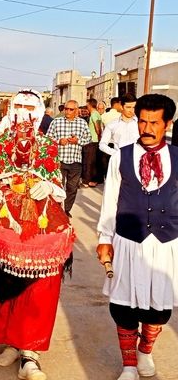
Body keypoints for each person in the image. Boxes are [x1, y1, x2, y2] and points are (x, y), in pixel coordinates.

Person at [0, 89, 74, 380]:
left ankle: (30, 352)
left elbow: (59, 184)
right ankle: (10, 339)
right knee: (0, 282)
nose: (24, 112)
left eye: (30, 107)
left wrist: (50, 188)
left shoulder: (48, 145)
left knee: (38, 288)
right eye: (18, 106)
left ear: (40, 111)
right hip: (3, 219)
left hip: (40, 223)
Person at [96, 94, 178, 380]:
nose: (147, 128)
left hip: (167, 245)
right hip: (128, 241)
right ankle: (129, 365)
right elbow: (110, 201)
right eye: (143, 121)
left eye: (154, 122)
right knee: (123, 307)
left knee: (159, 310)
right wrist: (104, 238)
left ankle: (145, 351)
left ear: (167, 123)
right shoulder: (121, 155)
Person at [46, 100, 91, 217]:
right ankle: (56, 210)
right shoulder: (56, 122)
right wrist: (58, 142)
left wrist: (78, 141)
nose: (68, 111)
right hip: (59, 160)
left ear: (76, 111)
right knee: (57, 187)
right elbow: (47, 139)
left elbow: (89, 139)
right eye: (66, 109)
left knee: (72, 188)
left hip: (75, 160)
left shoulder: (82, 123)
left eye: (71, 109)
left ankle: (65, 210)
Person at [83, 98, 103, 187]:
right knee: (93, 161)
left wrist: (99, 137)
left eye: (87, 105)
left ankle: (87, 181)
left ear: (90, 105)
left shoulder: (94, 115)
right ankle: (93, 180)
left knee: (89, 161)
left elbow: (97, 128)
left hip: (92, 141)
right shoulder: (97, 114)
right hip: (95, 141)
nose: (86, 107)